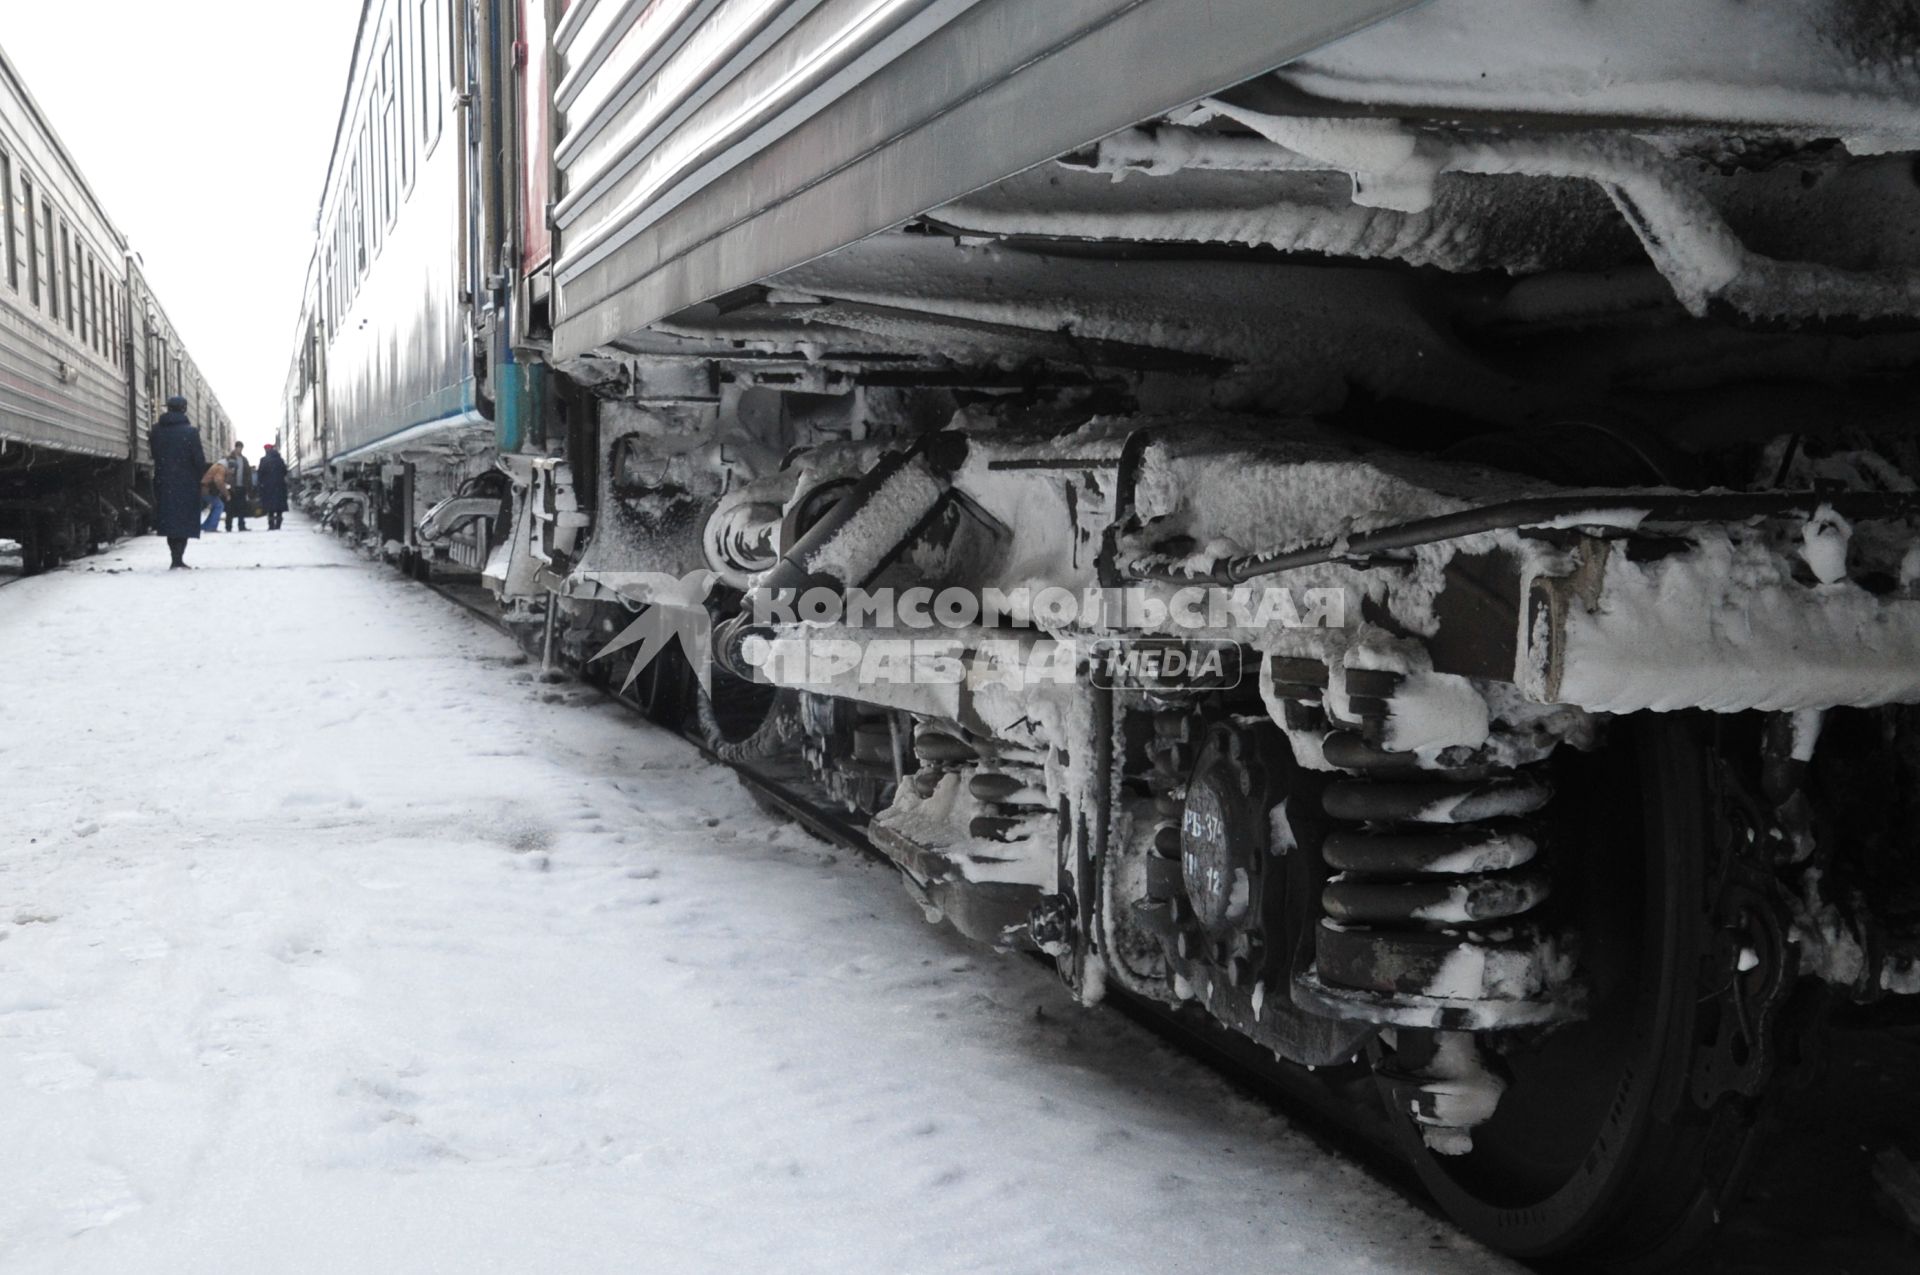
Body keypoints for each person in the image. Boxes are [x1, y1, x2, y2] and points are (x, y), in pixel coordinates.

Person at [150, 396, 209, 569]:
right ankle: (178, 557)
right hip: (186, 483)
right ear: (184, 409)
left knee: (170, 521)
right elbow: (199, 459)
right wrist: (200, 477)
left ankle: (174, 557)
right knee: (183, 521)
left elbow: (154, 454)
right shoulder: (190, 432)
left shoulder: (156, 431)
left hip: (164, 480)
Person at [257, 443, 289, 530]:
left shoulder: (263, 460)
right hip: (280, 487)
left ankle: (271, 525)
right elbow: (285, 471)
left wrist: (260, 485)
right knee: (279, 508)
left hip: (268, 488)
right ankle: (278, 525)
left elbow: (260, 474)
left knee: (270, 508)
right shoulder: (280, 460)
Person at [224, 441, 254, 531]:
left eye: (241, 448)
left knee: (242, 507)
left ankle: (241, 526)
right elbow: (225, 471)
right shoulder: (229, 458)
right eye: (238, 447)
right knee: (230, 508)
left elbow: (248, 473)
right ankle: (228, 526)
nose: (240, 449)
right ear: (235, 447)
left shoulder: (244, 460)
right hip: (232, 487)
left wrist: (249, 485)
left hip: (241, 486)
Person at [201, 458, 230, 533]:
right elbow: (218, 481)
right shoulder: (221, 468)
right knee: (219, 505)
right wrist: (226, 494)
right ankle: (211, 526)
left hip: (205, 488)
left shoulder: (218, 466)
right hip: (207, 490)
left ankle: (206, 525)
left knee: (216, 505)